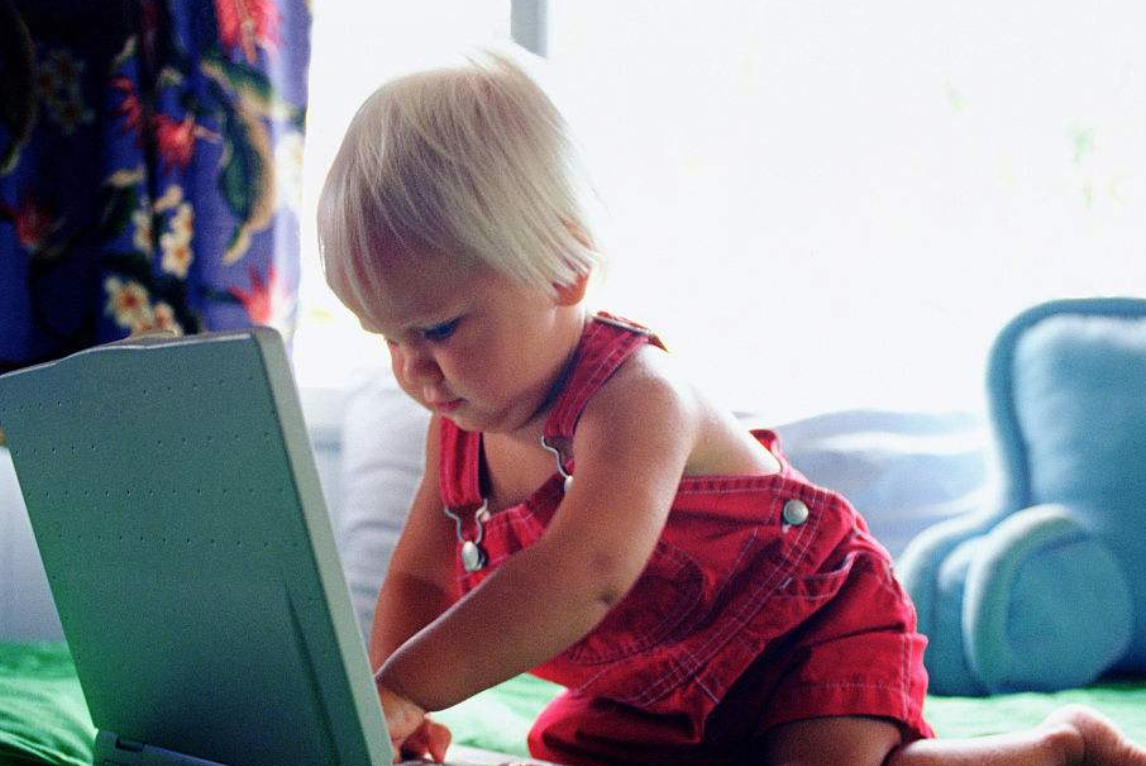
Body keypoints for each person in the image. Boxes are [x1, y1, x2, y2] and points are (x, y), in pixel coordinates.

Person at [316, 47, 1146, 766]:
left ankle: (1059, 749)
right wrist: (390, 707)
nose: (413, 368)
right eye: (386, 336)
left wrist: (410, 684)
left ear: (564, 265)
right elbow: (421, 577)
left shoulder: (636, 397)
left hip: (801, 633)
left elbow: (586, 575)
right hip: (656, 680)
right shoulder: (457, 434)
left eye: (438, 328)